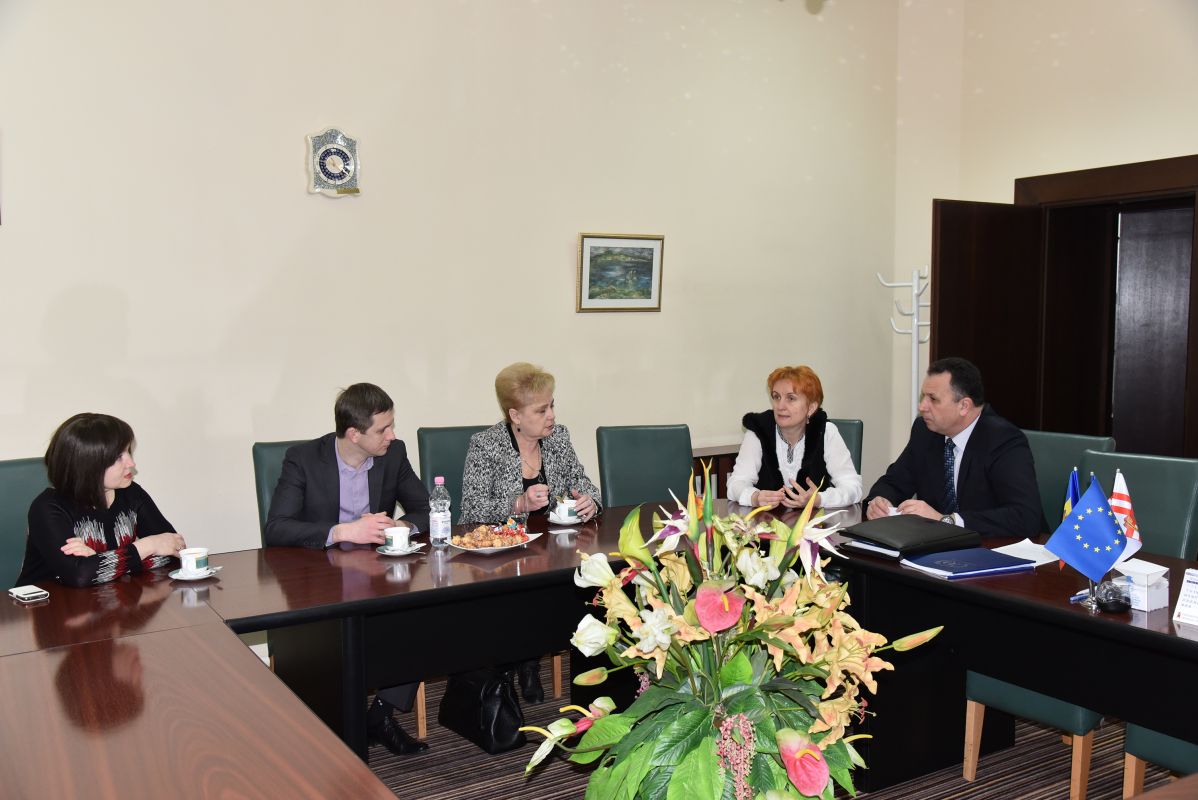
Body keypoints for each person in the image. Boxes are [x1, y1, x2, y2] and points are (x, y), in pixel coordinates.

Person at [265, 382, 430, 755]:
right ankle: (331, 730)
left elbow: (425, 508)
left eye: (391, 426)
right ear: (354, 434)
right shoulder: (303, 459)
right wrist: (342, 531)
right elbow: (276, 528)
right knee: (336, 642)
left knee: (420, 618)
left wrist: (401, 526)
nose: (392, 435)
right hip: (320, 581)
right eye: (383, 429)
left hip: (378, 575)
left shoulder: (393, 454)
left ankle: (380, 716)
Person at [460, 362, 602, 702]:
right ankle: (521, 663)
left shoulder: (558, 438)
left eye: (552, 405)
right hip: (504, 555)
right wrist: (518, 503)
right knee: (522, 593)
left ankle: (532, 662)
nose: (551, 415)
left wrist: (591, 501)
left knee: (589, 584)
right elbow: (471, 510)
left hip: (555, 551)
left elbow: (583, 482)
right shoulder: (486, 445)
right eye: (541, 410)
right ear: (515, 415)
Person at [864, 357, 1042, 538]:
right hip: (935, 544)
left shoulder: (1003, 440)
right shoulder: (924, 430)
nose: (922, 406)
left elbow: (1025, 517)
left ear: (964, 406)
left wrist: (947, 520)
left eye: (933, 399)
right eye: (923, 396)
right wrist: (879, 501)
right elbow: (895, 481)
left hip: (993, 546)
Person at [17, 413, 185, 588]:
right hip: (45, 602)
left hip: (105, 598)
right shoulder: (48, 507)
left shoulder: (131, 493)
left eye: (128, 451)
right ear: (87, 465)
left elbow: (175, 550)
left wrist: (99, 562)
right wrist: (148, 546)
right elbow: (80, 576)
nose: (131, 463)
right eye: (118, 457)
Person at [727, 365, 863, 510]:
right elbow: (736, 483)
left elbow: (853, 487)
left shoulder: (826, 432)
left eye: (791, 398)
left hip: (814, 521)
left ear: (811, 408)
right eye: (776, 397)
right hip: (766, 521)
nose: (780, 406)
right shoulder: (759, 431)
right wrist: (754, 497)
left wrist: (818, 499)